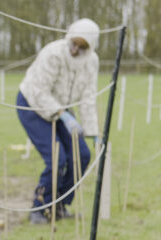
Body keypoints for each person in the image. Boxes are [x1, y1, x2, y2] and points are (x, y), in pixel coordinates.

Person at [16, 18, 101, 224]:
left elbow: (88, 97)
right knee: (57, 159)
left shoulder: (91, 62)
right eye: (74, 44)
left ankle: (60, 204)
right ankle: (40, 207)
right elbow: (39, 91)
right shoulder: (52, 54)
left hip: (63, 109)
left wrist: (94, 133)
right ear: (69, 38)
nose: (75, 50)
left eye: (81, 47)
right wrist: (62, 114)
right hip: (32, 105)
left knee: (81, 155)